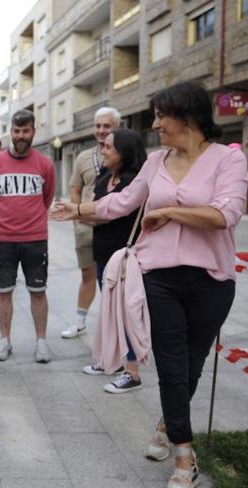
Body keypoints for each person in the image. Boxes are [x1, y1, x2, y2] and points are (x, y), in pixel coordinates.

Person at [51, 81, 248, 488]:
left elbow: (226, 214)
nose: (155, 124)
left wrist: (170, 211)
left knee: (192, 365)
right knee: (172, 365)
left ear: (188, 117)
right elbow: (122, 202)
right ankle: (183, 456)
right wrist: (79, 210)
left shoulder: (229, 159)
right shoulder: (156, 161)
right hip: (157, 277)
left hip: (212, 280)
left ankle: (166, 425)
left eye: (161, 115)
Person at [0, 110, 55, 364]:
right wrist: (6, 221)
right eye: (17, 131)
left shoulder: (45, 164)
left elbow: (47, 197)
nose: (21, 136)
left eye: (26, 131)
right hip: (3, 238)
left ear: (33, 131)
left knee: (38, 291)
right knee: (3, 291)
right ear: (11, 132)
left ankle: (41, 342)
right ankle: (5, 340)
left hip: (35, 238)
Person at [87, 129, 146, 393]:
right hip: (104, 257)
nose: (103, 150)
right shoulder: (103, 179)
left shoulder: (135, 183)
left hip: (127, 261)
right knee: (110, 310)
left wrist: (92, 213)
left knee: (128, 313)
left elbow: (104, 213)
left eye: (109, 147)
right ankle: (110, 359)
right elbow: (94, 212)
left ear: (125, 151)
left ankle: (132, 373)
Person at [61, 107, 120, 340]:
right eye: (98, 126)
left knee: (112, 278)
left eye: (107, 126)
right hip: (86, 227)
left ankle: (115, 325)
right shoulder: (84, 157)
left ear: (116, 127)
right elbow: (75, 188)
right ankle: (80, 322)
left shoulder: (124, 155)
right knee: (87, 275)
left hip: (114, 226)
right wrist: (77, 215)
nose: (101, 130)